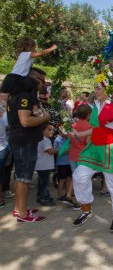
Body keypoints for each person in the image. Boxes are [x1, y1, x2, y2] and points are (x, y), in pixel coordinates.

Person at [70, 84, 113, 233]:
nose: (95, 91)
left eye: (98, 88)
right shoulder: (94, 106)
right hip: (94, 148)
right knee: (79, 175)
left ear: (107, 90)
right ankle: (86, 209)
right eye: (95, 87)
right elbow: (95, 128)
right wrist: (78, 134)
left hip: (109, 150)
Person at [7, 67, 50, 222]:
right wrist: (45, 118)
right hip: (24, 140)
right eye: (41, 80)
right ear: (32, 78)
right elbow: (26, 121)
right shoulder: (25, 95)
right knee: (24, 178)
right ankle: (23, 214)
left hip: (22, 140)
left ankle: (19, 209)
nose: (43, 84)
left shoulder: (21, 94)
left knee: (21, 177)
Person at [2, 37, 57, 117]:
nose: (35, 49)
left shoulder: (21, 55)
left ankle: (3, 113)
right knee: (34, 84)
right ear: (30, 47)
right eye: (34, 47)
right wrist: (52, 48)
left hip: (9, 78)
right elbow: (41, 53)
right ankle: (35, 108)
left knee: (3, 101)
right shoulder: (26, 54)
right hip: (17, 78)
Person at [34, 124, 57, 206]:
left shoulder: (44, 139)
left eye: (53, 130)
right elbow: (50, 151)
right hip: (44, 165)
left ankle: (41, 196)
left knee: (42, 182)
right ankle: (44, 198)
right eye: (49, 129)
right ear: (43, 131)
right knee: (45, 182)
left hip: (42, 165)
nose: (52, 131)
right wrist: (60, 149)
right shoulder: (45, 140)